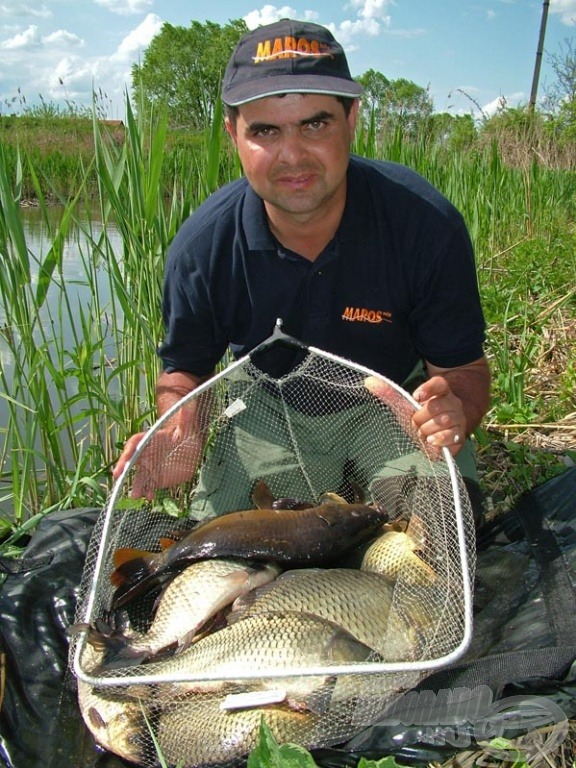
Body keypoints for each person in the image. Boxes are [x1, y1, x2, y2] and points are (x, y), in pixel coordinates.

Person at [113, 18, 490, 522]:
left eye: (315, 124)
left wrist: (454, 412)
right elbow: (184, 370)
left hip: (393, 402)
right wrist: (183, 426)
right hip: (270, 403)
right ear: (233, 135)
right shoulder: (203, 248)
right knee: (224, 549)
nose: (292, 156)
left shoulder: (426, 226)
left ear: (352, 118)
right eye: (264, 130)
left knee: (443, 527)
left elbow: (463, 371)